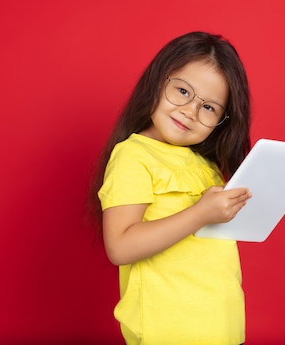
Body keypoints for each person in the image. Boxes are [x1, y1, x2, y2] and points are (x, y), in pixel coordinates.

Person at [88, 31, 252, 345]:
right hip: (167, 332)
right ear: (157, 81)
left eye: (209, 108)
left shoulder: (206, 166)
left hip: (223, 327)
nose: (190, 111)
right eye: (182, 91)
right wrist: (201, 213)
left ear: (222, 121)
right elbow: (120, 247)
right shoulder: (133, 155)